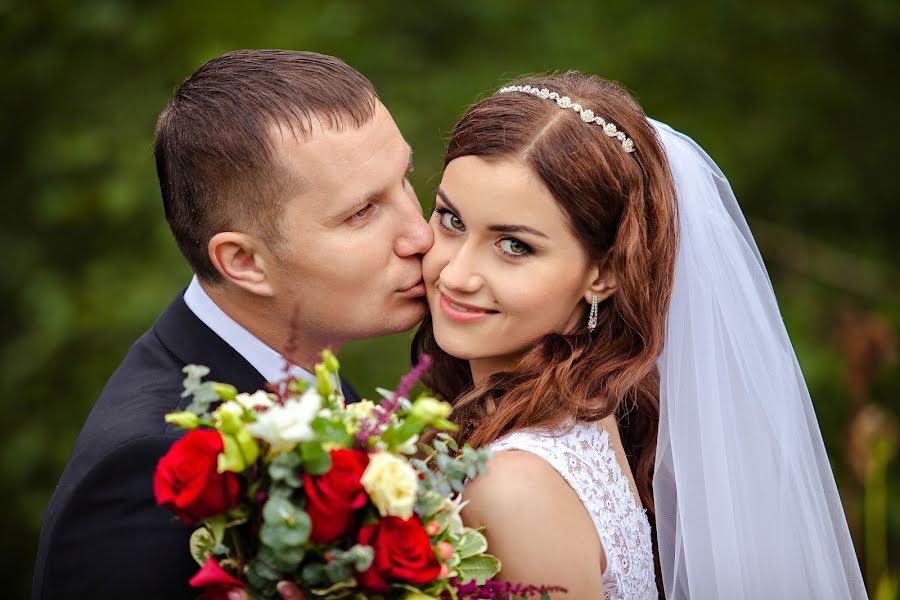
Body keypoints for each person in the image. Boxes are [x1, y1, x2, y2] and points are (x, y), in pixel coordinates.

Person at [413, 72, 868, 598]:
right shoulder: (584, 416)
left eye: (514, 246)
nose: (456, 274)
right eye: (450, 220)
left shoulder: (516, 487)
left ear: (602, 273)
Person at [32, 50, 432, 600]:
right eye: (361, 213)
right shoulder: (152, 470)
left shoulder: (309, 374)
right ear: (244, 262)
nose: (421, 236)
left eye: (405, 180)